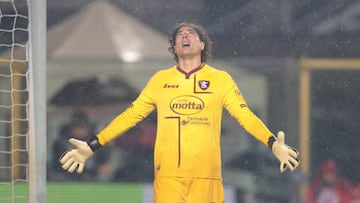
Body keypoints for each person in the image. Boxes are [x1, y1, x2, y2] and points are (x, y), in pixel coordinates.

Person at [59, 22, 300, 202]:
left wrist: (272, 143)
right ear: (174, 47)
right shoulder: (160, 80)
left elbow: (245, 116)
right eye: (179, 35)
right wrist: (93, 145)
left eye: (191, 33)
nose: (184, 35)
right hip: (169, 177)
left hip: (207, 177)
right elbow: (130, 116)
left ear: (202, 44)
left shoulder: (220, 80)